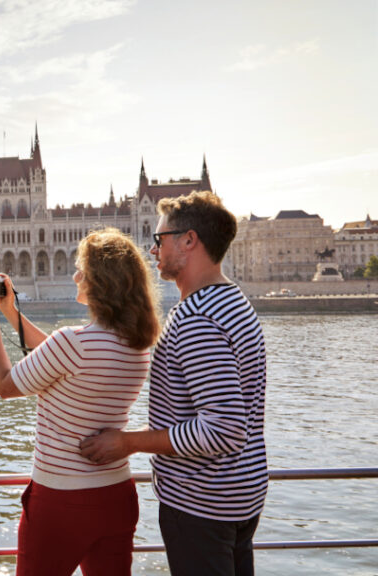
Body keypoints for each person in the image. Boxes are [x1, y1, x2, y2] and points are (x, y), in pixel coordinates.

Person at [80, 191, 268, 576]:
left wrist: (127, 442)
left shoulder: (198, 319)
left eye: (159, 239)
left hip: (203, 505)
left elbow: (223, 429)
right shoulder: (234, 302)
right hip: (239, 498)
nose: (153, 251)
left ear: (189, 240)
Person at [0, 228, 160, 576]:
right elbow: (59, 356)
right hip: (115, 495)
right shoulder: (136, 346)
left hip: (60, 502)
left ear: (102, 283)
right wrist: (11, 313)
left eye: (82, 270)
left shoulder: (73, 345)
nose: (75, 276)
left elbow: (5, 385)